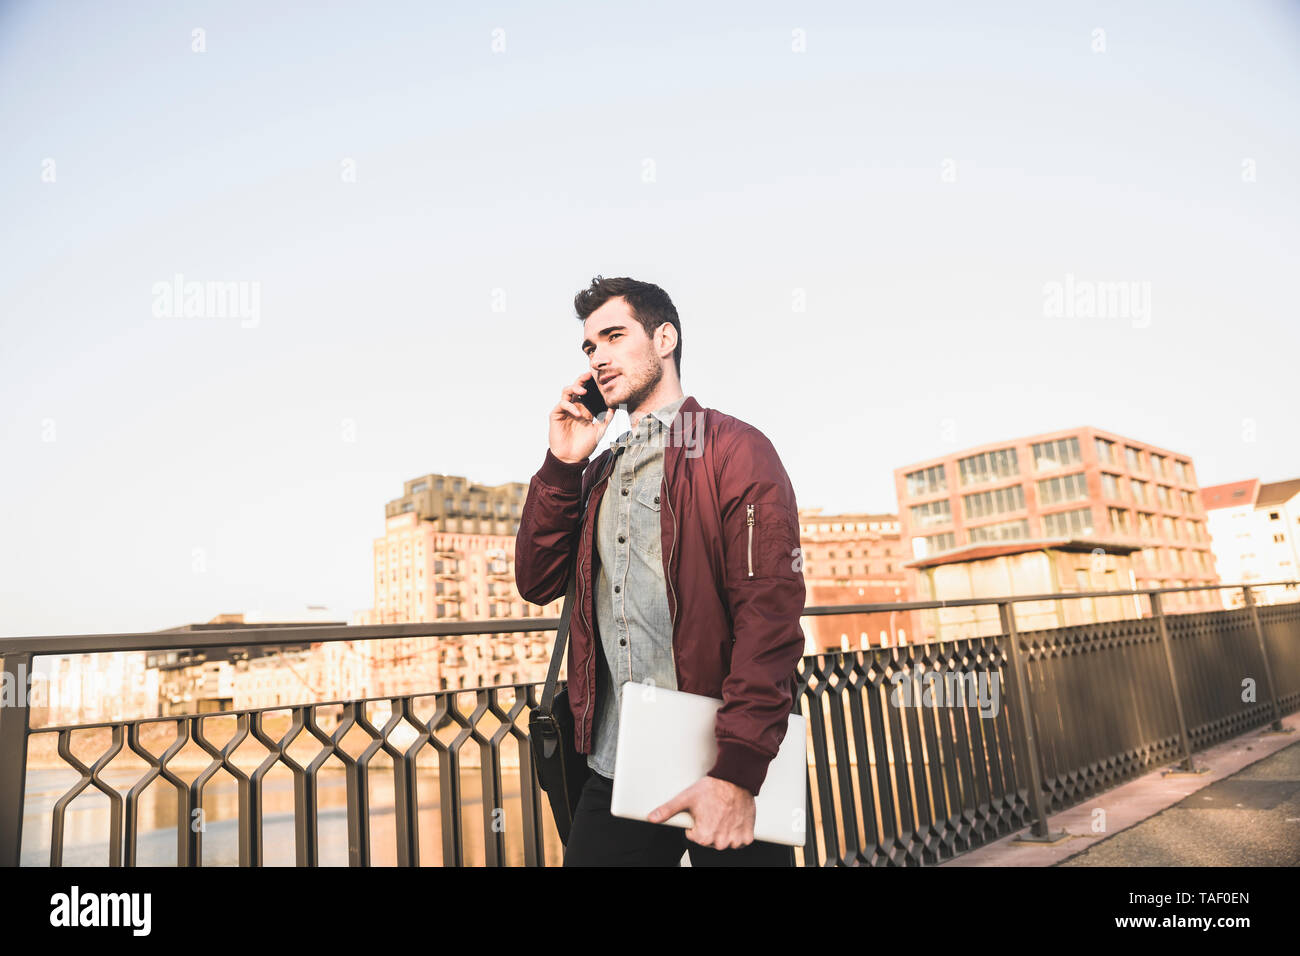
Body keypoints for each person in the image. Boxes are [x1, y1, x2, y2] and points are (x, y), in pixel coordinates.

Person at [514, 276, 807, 867]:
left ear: (665, 337)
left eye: (614, 336)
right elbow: (536, 581)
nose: (598, 357)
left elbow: (768, 618)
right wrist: (562, 465)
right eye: (590, 346)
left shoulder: (734, 448)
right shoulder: (597, 470)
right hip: (615, 762)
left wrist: (739, 771)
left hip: (720, 759)